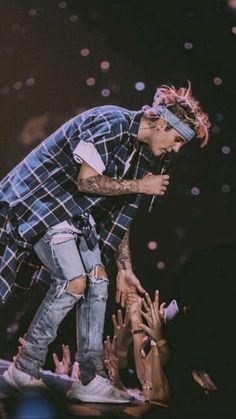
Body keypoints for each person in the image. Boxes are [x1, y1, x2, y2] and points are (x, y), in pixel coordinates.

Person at [0, 83, 210, 403]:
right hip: (38, 206)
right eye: (178, 140)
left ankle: (88, 377)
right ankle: (24, 368)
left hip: (71, 221)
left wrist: (125, 269)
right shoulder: (110, 121)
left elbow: (119, 217)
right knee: (74, 279)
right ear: (163, 124)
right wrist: (140, 185)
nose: (177, 149)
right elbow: (87, 181)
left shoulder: (146, 159)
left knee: (98, 281)